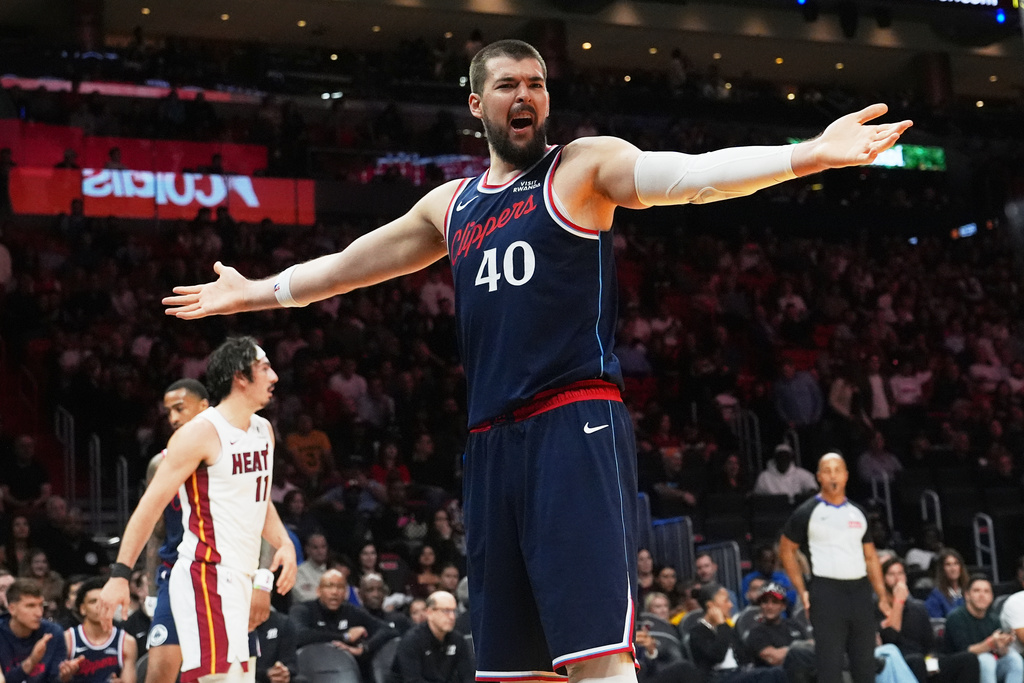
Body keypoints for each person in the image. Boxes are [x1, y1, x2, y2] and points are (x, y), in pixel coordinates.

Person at [163, 38, 911, 683]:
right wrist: (251, 293)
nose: (526, 96)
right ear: (475, 103)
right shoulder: (450, 205)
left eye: (537, 84)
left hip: (573, 422)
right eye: (508, 85)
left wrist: (804, 155)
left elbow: (688, 177)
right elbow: (348, 266)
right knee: (513, 664)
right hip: (491, 443)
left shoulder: (582, 166)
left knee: (598, 652)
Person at [98, 338, 298, 683]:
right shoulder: (199, 435)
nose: (275, 376)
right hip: (205, 576)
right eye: (265, 368)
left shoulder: (264, 430)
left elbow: (258, 499)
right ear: (240, 377)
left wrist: (284, 543)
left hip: (243, 578)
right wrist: (120, 574)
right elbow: (148, 511)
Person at [778, 452, 892, 683]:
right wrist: (803, 591)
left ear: (846, 476)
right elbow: (786, 550)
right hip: (826, 591)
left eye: (837, 470)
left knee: (865, 667)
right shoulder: (807, 512)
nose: (833, 475)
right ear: (819, 476)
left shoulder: (858, 513)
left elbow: (870, 557)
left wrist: (881, 594)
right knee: (829, 668)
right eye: (827, 471)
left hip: (860, 592)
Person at [877, 557, 979, 683]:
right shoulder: (877, 609)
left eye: (900, 573)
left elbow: (930, 646)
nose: (897, 578)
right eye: (891, 574)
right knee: (917, 661)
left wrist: (932, 666)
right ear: (883, 579)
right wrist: (898, 602)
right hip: (897, 663)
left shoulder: (918, 608)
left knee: (968, 659)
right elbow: (890, 638)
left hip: (922, 661)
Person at [289, 569, 397, 676]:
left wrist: (364, 648)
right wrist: (345, 637)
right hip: (311, 671)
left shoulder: (351, 611)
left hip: (346, 672)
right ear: (318, 591)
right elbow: (299, 635)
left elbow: (388, 630)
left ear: (345, 593)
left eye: (340, 587)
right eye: (329, 586)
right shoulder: (303, 609)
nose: (335, 592)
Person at [688, 582, 787, 683]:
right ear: (711, 606)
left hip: (739, 674)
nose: (731, 605)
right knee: (774, 674)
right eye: (726, 601)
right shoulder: (698, 632)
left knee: (778, 672)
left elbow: (745, 657)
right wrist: (722, 624)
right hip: (718, 678)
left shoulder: (728, 629)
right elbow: (718, 656)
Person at [0, 578, 83, 683]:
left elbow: (55, 679)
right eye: (30, 606)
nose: (39, 613)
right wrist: (32, 661)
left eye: (41, 605)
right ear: (12, 609)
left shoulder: (53, 632)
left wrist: (64, 677)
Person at [944, 575, 1023, 683]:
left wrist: (1003, 645)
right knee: (986, 659)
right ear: (967, 595)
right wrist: (991, 643)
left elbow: (999, 652)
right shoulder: (956, 617)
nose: (982, 595)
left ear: (991, 597)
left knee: (1014, 659)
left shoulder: (994, 618)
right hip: (961, 670)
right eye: (977, 591)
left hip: (990, 668)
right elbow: (966, 652)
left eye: (986, 591)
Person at [63, 577, 138, 683]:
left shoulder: (126, 642)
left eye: (104, 601)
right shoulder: (68, 639)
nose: (99, 606)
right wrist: (64, 676)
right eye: (93, 601)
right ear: (82, 609)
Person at [389, 591, 473, 683]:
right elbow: (413, 680)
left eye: (453, 611)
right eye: (446, 611)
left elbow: (467, 676)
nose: (452, 617)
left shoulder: (458, 640)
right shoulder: (411, 641)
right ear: (429, 613)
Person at [745, 582, 816, 683]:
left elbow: (813, 647)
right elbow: (774, 658)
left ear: (783, 606)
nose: (770, 606)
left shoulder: (794, 625)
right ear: (760, 605)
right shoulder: (756, 632)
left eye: (774, 602)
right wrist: (798, 648)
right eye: (765, 602)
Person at [752, 444, 817, 504]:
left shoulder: (802, 474)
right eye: (780, 457)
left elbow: (813, 490)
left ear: (791, 458)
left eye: (786, 457)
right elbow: (757, 497)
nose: (783, 459)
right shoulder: (764, 477)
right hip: (773, 512)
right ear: (775, 458)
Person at [252, 610, 297, 683]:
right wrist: (265, 674)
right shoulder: (234, 624)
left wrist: (284, 671)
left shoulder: (284, 622)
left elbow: (291, 662)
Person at [926, 550, 969, 619]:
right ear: (942, 569)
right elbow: (936, 623)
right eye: (948, 565)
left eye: (956, 563)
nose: (953, 568)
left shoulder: (970, 590)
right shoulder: (936, 595)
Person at [695, 552, 739, 616]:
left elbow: (733, 620)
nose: (703, 570)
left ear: (714, 567)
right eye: (699, 568)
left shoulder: (728, 594)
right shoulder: (692, 595)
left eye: (706, 566)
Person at [291, 534, 328, 604]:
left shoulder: (332, 572)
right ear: (307, 550)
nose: (320, 551)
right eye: (315, 548)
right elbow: (304, 597)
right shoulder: (299, 572)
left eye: (323, 547)